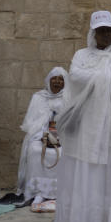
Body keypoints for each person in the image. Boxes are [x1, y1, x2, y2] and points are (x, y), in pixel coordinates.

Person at [54, 11, 111, 222]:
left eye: (108, 30)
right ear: (93, 33)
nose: (105, 35)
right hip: (88, 128)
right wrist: (106, 76)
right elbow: (75, 76)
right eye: (100, 31)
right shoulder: (81, 55)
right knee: (88, 175)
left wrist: (96, 77)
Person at [16, 67, 66, 211]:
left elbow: (71, 124)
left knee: (64, 153)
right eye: (54, 78)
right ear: (48, 81)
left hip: (63, 139)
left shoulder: (69, 98)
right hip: (40, 137)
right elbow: (31, 123)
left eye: (61, 79)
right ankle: (38, 192)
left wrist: (58, 135)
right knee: (34, 150)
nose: (57, 82)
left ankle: (58, 192)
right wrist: (44, 134)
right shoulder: (39, 97)